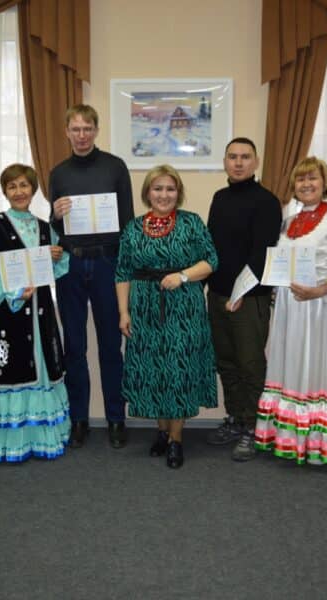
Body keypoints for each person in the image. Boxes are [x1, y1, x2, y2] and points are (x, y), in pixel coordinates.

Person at [254, 157, 327, 465]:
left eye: (312, 178)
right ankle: (289, 439)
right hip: (289, 309)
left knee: (317, 370)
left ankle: (317, 446)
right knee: (289, 367)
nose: (306, 184)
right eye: (301, 179)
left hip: (318, 309)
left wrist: (318, 291)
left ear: (324, 183)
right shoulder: (288, 223)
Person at [115, 165, 218, 469]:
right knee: (154, 370)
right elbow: (122, 272)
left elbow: (212, 260)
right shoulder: (133, 228)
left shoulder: (191, 222)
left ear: (178, 193)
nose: (163, 195)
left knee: (178, 371)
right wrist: (123, 312)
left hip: (184, 308)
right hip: (144, 309)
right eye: (157, 188)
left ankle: (176, 439)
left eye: (170, 189)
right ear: (148, 192)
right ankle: (161, 432)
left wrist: (183, 276)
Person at [0, 164, 71, 462]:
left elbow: (57, 269)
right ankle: (11, 441)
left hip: (40, 310)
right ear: (4, 191)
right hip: (7, 312)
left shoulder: (44, 227)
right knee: (11, 370)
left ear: (33, 189)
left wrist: (57, 255)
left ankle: (40, 439)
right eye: (12, 186)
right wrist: (14, 294)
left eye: (24, 185)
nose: (18, 191)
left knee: (41, 367)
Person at [49, 104, 134, 449]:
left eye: (87, 129)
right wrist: (54, 215)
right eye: (76, 129)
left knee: (111, 345)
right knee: (74, 346)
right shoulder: (58, 173)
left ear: (96, 131)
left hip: (107, 263)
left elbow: (128, 221)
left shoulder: (115, 166)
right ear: (67, 132)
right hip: (70, 265)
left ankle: (115, 418)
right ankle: (79, 419)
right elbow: (55, 226)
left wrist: (125, 268)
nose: (82, 135)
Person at [206, 137, 282, 461]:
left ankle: (254, 427)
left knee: (250, 364)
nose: (238, 162)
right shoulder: (219, 198)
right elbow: (210, 248)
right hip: (218, 295)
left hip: (250, 299)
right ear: (225, 161)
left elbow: (262, 254)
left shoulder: (267, 201)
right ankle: (236, 418)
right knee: (226, 362)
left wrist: (240, 293)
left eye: (245, 157)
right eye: (233, 156)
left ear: (256, 162)